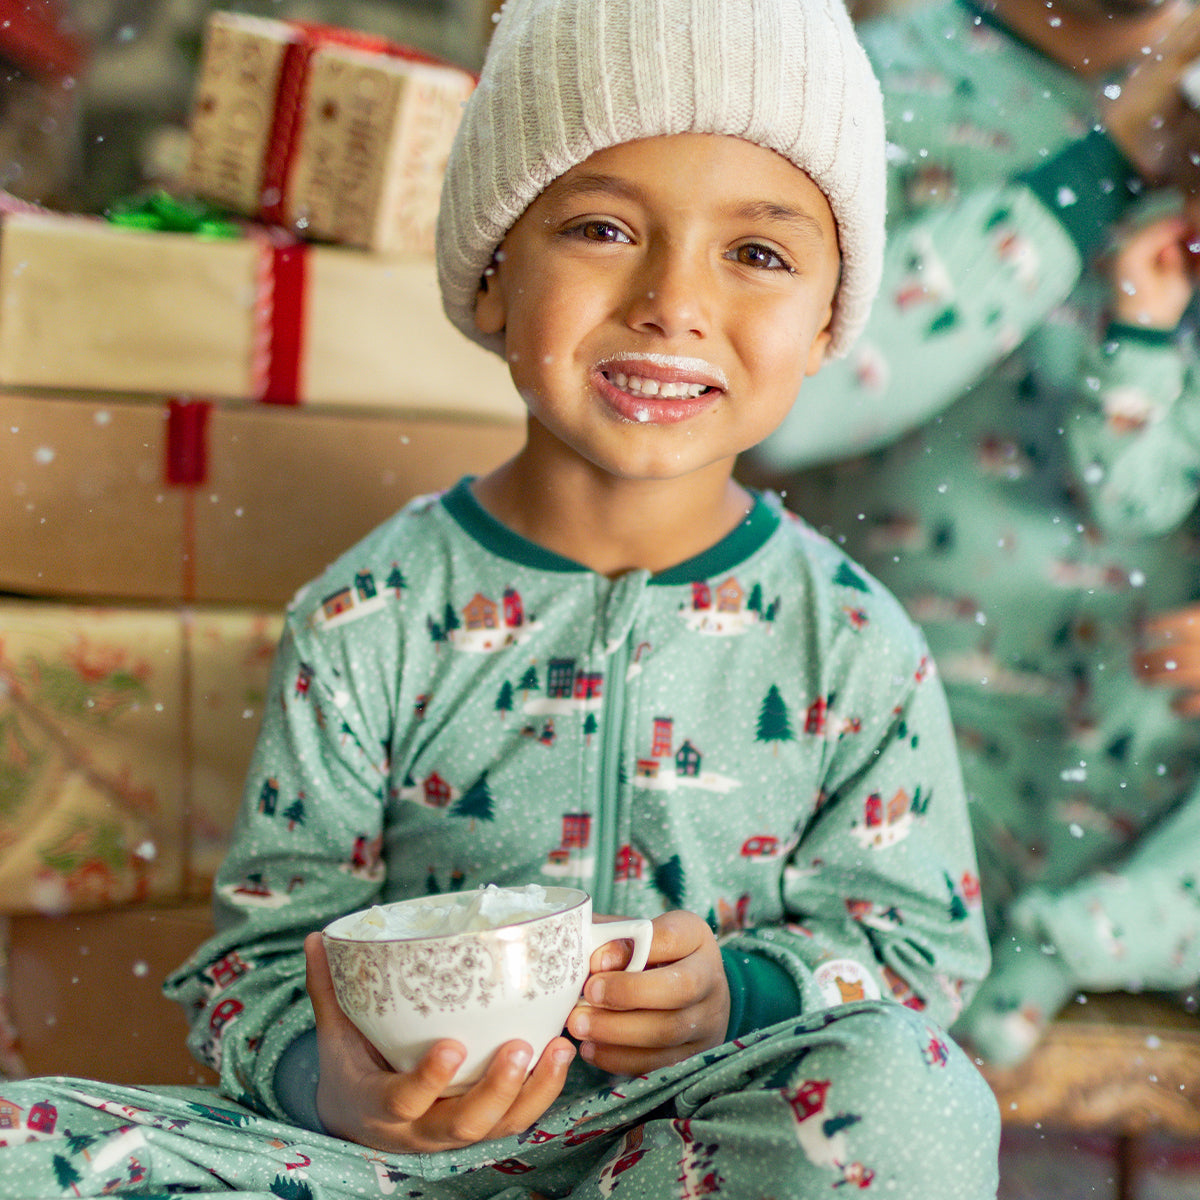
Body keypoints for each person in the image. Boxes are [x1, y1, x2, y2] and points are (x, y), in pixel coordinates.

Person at [0, 0, 1000, 1194]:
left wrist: (743, 995)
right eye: (601, 228)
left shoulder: (851, 646)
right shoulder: (366, 614)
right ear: (491, 280)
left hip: (691, 1160)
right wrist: (336, 1085)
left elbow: (918, 956)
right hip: (376, 1173)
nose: (673, 302)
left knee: (918, 1095)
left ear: (829, 320)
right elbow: (261, 959)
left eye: (758, 252)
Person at [743, 0, 1200, 1066]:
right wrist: (1108, 165)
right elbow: (789, 400)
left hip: (1160, 795)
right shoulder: (860, 87)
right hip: (915, 779)